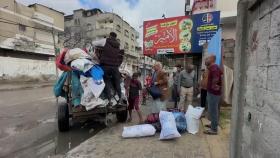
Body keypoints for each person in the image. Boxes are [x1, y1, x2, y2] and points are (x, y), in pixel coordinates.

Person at [92, 32, 124, 105]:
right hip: (115, 67)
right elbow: (121, 55)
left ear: (110, 36)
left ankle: (110, 100)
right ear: (115, 37)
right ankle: (120, 99)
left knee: (106, 81)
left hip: (105, 66)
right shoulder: (119, 44)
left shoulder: (105, 41)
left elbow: (94, 43)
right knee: (117, 83)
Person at [204, 55, 223, 135]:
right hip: (213, 92)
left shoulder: (214, 67)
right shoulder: (212, 67)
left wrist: (213, 88)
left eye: (207, 58)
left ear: (212, 59)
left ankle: (214, 129)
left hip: (213, 93)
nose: (206, 59)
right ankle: (213, 124)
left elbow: (216, 79)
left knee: (213, 111)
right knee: (212, 110)